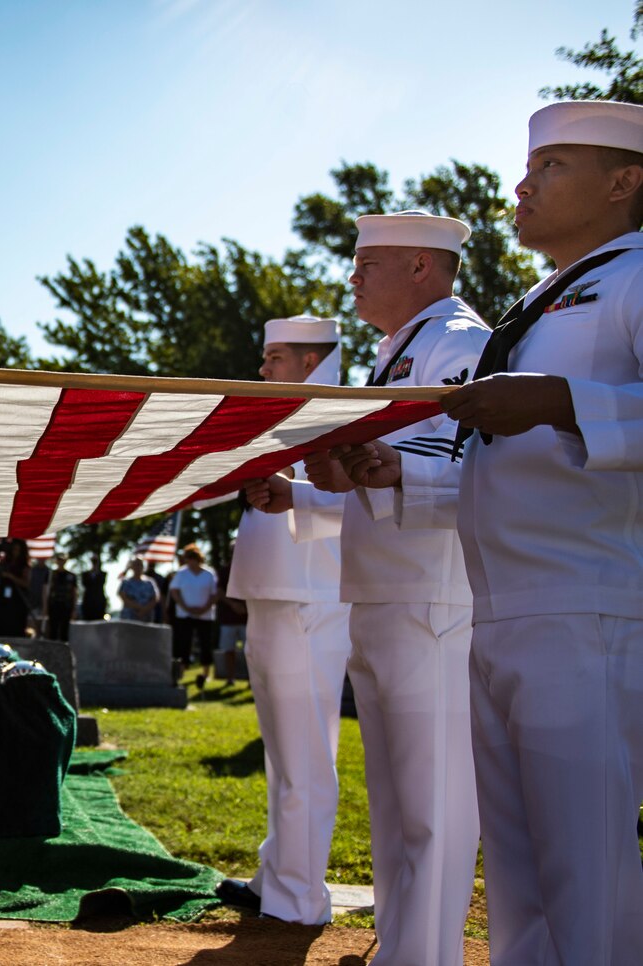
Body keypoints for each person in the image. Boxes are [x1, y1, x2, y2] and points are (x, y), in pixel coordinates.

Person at [424, 100, 643, 964]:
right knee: (520, 890)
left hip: (584, 607)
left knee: (589, 883)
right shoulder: (544, 297)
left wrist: (558, 401)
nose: (522, 184)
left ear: (626, 181)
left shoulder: (635, 276)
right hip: (505, 609)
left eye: (552, 166)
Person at [249, 211, 489, 966]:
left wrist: (362, 466)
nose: (351, 275)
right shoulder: (403, 350)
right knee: (396, 809)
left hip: (430, 598)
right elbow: (385, 474)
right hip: (388, 593)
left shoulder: (458, 342)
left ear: (421, 266)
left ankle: (425, 957)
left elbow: (450, 468)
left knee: (433, 808)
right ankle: (404, 951)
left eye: (366, 261)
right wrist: (318, 490)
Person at [221, 315, 352, 924]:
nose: (264, 368)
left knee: (303, 755)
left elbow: (356, 501)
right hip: (276, 594)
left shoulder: (339, 414)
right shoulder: (285, 414)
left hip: (310, 594)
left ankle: (299, 895)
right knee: (283, 753)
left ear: (310, 361)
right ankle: (278, 875)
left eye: (276, 357)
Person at [167, 545, 218, 688]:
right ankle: (182, 670)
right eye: (188, 559)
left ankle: (206, 672)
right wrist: (186, 607)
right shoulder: (181, 574)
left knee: (205, 644)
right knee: (184, 643)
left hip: (205, 615)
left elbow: (214, 594)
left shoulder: (209, 574)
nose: (190, 562)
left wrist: (204, 608)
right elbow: (174, 592)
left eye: (192, 559)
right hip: (185, 615)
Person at [0, 539, 33, 637]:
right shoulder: (4, 563)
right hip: (3, 602)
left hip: (18, 602)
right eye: (13, 549)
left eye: (18, 550)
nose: (15, 552)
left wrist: (11, 576)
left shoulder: (24, 566)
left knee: (16, 627)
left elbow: (26, 583)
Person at [42, 553, 78, 642]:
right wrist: (45, 606)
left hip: (66, 606)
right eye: (59, 559)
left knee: (64, 632)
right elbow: (45, 591)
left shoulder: (71, 576)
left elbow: (74, 593)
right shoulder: (51, 574)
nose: (60, 561)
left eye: (62, 559)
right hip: (54, 605)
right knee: (53, 630)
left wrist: (74, 609)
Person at [116, 557, 159, 622]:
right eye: (136, 565)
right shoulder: (126, 582)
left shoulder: (150, 582)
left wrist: (145, 610)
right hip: (130, 617)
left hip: (146, 617)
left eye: (140, 565)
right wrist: (139, 608)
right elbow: (123, 597)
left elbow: (155, 598)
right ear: (132, 567)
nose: (138, 567)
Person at [79, 554, 106, 622]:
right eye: (93, 561)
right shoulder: (85, 574)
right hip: (88, 604)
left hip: (99, 604)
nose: (94, 563)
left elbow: (101, 583)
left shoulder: (102, 574)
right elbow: (84, 584)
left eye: (95, 561)